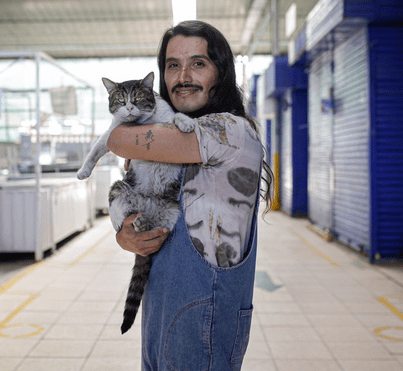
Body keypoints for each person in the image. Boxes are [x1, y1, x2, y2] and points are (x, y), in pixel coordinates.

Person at [106, 20, 272, 371]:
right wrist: (128, 233)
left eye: (198, 63)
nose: (183, 76)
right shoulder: (170, 137)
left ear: (220, 72)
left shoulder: (230, 129)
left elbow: (117, 139)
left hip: (204, 317)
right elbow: (140, 198)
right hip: (161, 305)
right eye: (172, 65)